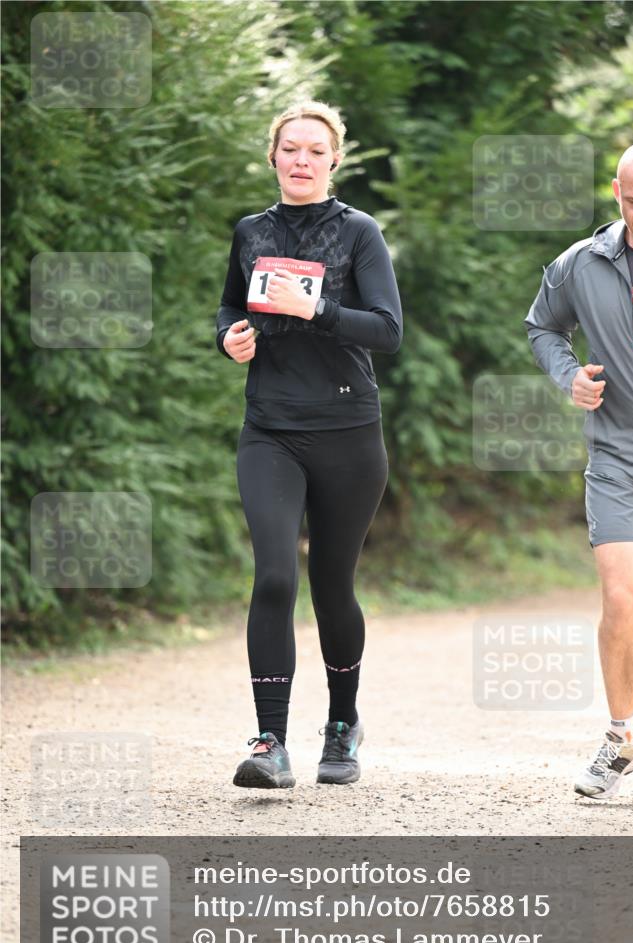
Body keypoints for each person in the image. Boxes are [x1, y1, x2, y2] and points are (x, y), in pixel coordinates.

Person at [215, 100, 402, 789]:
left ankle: (341, 726)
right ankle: (269, 742)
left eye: (314, 151)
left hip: (348, 432)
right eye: (289, 148)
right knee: (272, 575)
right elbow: (231, 305)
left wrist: (315, 309)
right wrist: (229, 336)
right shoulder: (249, 232)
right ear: (272, 157)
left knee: (330, 587)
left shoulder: (359, 232)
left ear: (332, 161)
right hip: (269, 427)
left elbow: (386, 330)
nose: (300, 159)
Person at [525, 140, 633, 799]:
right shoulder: (582, 264)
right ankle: (621, 738)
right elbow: (542, 328)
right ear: (616, 194)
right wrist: (567, 376)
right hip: (617, 456)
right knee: (620, 598)